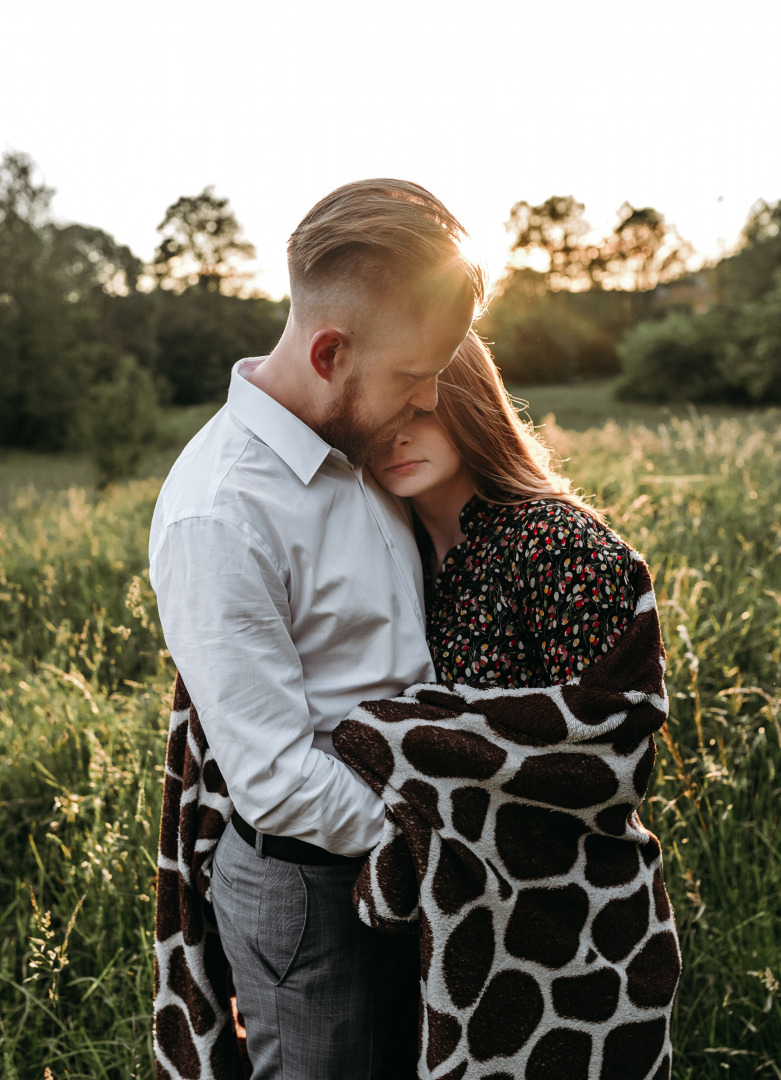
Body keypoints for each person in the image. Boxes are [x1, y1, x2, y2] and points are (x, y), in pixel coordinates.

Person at [149, 179, 485, 1080]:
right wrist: (448, 838)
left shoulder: (363, 444)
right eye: (412, 378)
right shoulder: (219, 514)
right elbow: (276, 780)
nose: (424, 402)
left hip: (405, 859)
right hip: (314, 889)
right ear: (330, 351)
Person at [334, 329, 680, 1079]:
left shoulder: (552, 542)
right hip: (456, 931)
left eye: (418, 409)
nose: (397, 434)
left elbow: (608, 751)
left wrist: (401, 738)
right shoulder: (391, 554)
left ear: (466, 404)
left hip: (577, 934)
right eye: (378, 414)